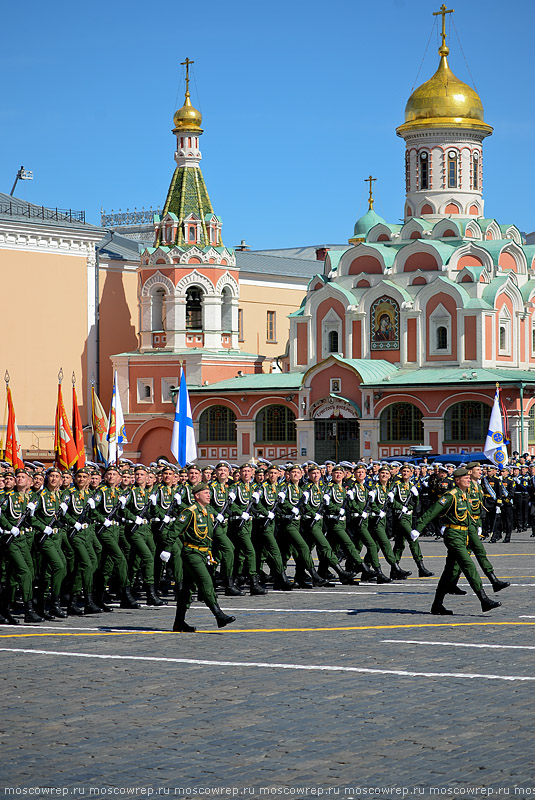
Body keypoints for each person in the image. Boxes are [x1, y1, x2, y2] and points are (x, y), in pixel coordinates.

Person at [412, 467, 502, 615]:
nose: (469, 479)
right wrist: (418, 528)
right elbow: (432, 511)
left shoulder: (464, 494)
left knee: (449, 571)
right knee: (468, 565)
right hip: (453, 535)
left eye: (469, 477)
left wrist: (477, 526)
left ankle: (437, 604)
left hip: (464, 534)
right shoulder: (451, 496)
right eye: (465, 478)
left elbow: (471, 514)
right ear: (457, 480)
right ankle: (483, 599)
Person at [172, 482, 236, 632]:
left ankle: (178, 622)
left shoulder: (208, 511)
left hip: (203, 553)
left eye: (209, 492)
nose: (209, 495)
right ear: (197, 495)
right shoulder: (189, 511)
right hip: (191, 553)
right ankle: (218, 615)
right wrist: (167, 550)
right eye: (205, 493)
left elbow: (211, 534)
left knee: (187, 589)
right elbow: (173, 531)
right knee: (206, 582)